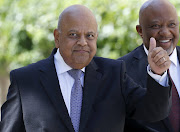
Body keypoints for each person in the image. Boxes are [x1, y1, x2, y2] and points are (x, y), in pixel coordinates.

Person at [0, 4, 171, 132]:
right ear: (57, 37)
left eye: (89, 36)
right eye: (73, 35)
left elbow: (153, 112)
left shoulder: (114, 74)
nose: (82, 42)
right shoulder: (25, 81)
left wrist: (157, 73)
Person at [119, 0, 180, 132]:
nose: (165, 32)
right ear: (140, 31)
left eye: (172, 24)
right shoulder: (120, 71)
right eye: (156, 26)